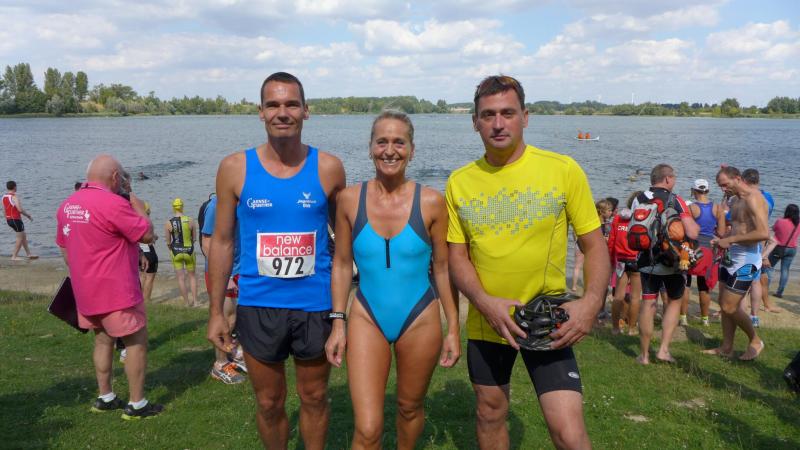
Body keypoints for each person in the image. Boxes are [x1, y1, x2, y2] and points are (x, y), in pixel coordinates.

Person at [446, 75, 609, 450]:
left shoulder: (562, 169)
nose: (498, 123)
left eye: (507, 113)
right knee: (490, 413)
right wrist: (483, 302)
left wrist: (591, 302)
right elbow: (457, 255)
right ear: (475, 122)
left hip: (547, 317)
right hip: (488, 321)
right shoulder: (459, 181)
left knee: (567, 431)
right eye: (488, 115)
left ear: (525, 117)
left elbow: (594, 245)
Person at [206, 72, 345, 449]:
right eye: (273, 105)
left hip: (314, 305)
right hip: (258, 305)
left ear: (306, 111)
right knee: (269, 402)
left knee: (314, 397)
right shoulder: (234, 168)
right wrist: (216, 312)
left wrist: (342, 312)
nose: (282, 112)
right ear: (261, 112)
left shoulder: (329, 168)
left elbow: (344, 243)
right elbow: (222, 242)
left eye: (291, 104)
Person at [325, 111, 460, 449]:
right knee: (368, 429)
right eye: (381, 142)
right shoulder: (349, 200)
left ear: (412, 150)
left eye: (399, 142)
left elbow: (442, 268)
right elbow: (341, 264)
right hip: (366, 316)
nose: (389, 150)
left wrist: (454, 329)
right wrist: (338, 323)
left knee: (409, 408)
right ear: (370, 147)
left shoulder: (431, 202)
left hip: (420, 317)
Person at [55, 154, 163, 419]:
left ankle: (106, 396)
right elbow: (147, 234)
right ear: (116, 177)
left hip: (85, 291)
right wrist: (137, 203)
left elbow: (65, 250)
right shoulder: (115, 204)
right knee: (135, 342)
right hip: (117, 291)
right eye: (122, 178)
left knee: (103, 341)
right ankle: (137, 404)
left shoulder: (68, 205)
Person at [632, 164, 699, 365]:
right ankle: (663, 350)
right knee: (674, 302)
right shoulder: (676, 200)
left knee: (648, 303)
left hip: (646, 259)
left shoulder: (639, 198)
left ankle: (644, 355)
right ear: (667, 179)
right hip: (672, 261)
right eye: (674, 177)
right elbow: (693, 232)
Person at [703, 166, 767, 360]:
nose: (723, 189)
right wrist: (722, 240)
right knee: (723, 305)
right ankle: (726, 347)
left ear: (738, 178)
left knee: (729, 306)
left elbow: (763, 233)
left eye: (725, 184)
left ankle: (755, 340)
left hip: (747, 259)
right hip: (731, 256)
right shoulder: (734, 200)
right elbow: (739, 228)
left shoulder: (753, 198)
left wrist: (730, 240)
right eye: (720, 186)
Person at [201, 194, 246, 385]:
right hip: (224, 272)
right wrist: (223, 275)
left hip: (242, 268)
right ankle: (220, 365)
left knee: (240, 316)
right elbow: (207, 242)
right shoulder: (216, 205)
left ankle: (234, 354)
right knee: (226, 319)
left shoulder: (248, 198)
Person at [741, 168, 778, 320]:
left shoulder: (747, 197)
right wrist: (764, 254)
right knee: (756, 280)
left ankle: (741, 316)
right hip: (761, 242)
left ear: (744, 181)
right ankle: (754, 316)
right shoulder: (768, 197)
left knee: (743, 283)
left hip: (748, 241)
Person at [685, 179, 719, 326]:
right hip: (709, 249)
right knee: (704, 286)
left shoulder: (691, 208)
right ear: (708, 191)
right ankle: (705, 319)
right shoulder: (717, 208)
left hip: (693, 247)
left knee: (686, 283)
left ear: (693, 191)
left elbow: (687, 229)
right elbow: (721, 231)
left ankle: (683, 318)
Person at [608, 192, 642, 336]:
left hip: (621, 260)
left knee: (618, 295)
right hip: (637, 260)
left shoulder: (618, 218)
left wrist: (611, 261)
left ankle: (615, 328)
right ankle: (632, 329)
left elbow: (611, 241)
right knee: (635, 297)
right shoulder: (644, 218)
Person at [164, 198, 198, 307]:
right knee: (192, 277)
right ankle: (196, 302)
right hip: (189, 251)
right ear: (182, 207)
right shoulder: (191, 220)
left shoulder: (168, 223)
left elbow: (168, 242)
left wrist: (172, 248)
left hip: (176, 251)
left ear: (173, 208)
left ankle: (186, 303)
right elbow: (194, 239)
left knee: (181, 278)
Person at [766, 204, 800, 298]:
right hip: (792, 249)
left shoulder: (780, 221)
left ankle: (765, 289)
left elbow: (772, 229)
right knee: (785, 270)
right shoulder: (798, 223)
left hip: (778, 248)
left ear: (787, 211)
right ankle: (779, 292)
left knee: (769, 267)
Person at [3, 181, 37, 260]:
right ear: (15, 187)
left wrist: (7, 219)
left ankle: (28, 254)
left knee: (23, 236)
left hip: (9, 219)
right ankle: (14, 256)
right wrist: (28, 215)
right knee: (20, 238)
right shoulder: (14, 197)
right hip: (16, 220)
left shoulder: (3, 197)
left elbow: (4, 210)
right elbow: (20, 210)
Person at [139, 202, 158, 302]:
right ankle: (147, 300)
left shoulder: (136, 222)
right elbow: (150, 240)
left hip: (139, 252)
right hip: (149, 252)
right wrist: (154, 237)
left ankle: (140, 298)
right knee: (150, 277)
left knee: (142, 275)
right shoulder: (147, 222)